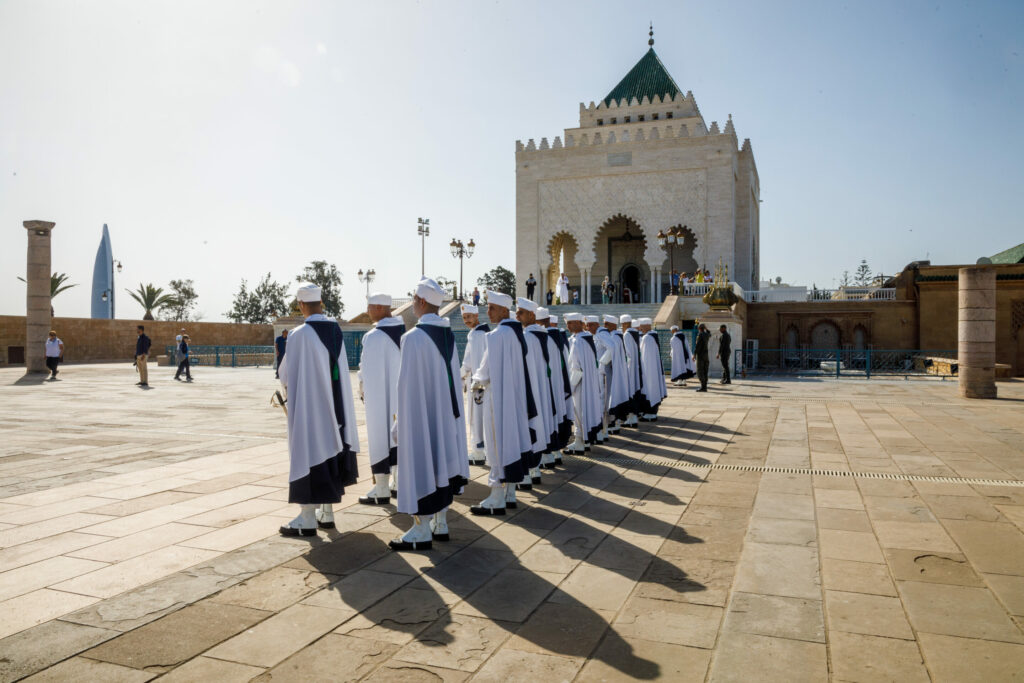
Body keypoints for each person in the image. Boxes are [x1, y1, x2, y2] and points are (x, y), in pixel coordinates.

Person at [390, 278, 470, 550]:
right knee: (442, 464)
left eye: (413, 298)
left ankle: (420, 529)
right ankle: (441, 522)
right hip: (446, 415)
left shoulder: (412, 338)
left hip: (422, 417)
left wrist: (400, 422)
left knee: (422, 464)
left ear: (422, 302)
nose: (412, 302)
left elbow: (407, 387)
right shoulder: (448, 335)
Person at [278, 283, 360, 536]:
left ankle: (306, 517)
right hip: (337, 408)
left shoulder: (299, 335)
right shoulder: (335, 331)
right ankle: (327, 512)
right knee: (331, 447)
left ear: (301, 305)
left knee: (309, 451)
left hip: (310, 408)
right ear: (320, 303)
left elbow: (285, 375)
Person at [469, 290, 535, 515]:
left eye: (492, 307)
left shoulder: (497, 336)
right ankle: (510, 493)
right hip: (514, 400)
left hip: (497, 401)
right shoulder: (517, 334)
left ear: (505, 311)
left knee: (496, 444)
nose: (488, 312)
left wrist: (475, 386)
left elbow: (484, 372)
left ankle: (496, 496)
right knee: (512, 441)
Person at [357, 293, 405, 505]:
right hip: (400, 398)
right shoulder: (405, 333)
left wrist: (363, 388)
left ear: (378, 307)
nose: (368, 312)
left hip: (380, 400)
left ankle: (382, 487)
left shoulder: (374, 337)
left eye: (369, 307)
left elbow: (367, 373)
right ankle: (398, 482)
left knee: (379, 435)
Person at [517, 297, 553, 488]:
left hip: (529, 389)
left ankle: (527, 473)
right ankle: (535, 469)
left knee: (529, 427)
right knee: (537, 426)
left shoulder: (528, 337)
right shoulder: (542, 335)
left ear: (531, 315)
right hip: (540, 389)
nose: (517, 316)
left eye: (520, 312)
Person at [535, 307, 572, 468]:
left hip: (547, 385)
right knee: (556, 418)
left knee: (546, 418)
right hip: (559, 385)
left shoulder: (543, 338)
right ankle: (555, 453)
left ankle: (547, 454)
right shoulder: (559, 337)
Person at [563, 313, 602, 453]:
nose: (567, 326)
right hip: (587, 382)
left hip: (579, 384)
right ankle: (581, 440)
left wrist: (569, 388)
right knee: (583, 412)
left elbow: (576, 368)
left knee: (578, 413)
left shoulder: (578, 341)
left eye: (570, 323)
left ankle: (579, 441)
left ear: (579, 324)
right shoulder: (585, 339)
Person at [460, 303, 489, 466]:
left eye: (469, 317)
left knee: (476, 416)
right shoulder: (480, 333)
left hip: (477, 383)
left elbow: (470, 362)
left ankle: (478, 450)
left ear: (477, 316)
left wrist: (459, 376)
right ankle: (481, 448)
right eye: (464, 318)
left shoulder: (477, 335)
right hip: (481, 381)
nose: (466, 320)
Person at [598, 314, 632, 433]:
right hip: (614, 371)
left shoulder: (614, 337)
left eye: (606, 324)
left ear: (612, 325)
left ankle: (612, 423)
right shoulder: (618, 336)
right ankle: (614, 422)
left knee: (609, 397)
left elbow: (611, 351)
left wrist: (602, 362)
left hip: (610, 371)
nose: (605, 326)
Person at [636, 319, 667, 420]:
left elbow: (645, 358)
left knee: (649, 390)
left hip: (648, 371)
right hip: (651, 370)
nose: (640, 328)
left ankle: (650, 414)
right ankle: (651, 413)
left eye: (641, 326)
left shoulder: (647, 338)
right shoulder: (652, 336)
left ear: (645, 326)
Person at [694, 323, 711, 392]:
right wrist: (706, 329)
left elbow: (697, 346)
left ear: (699, 329)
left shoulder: (700, 335)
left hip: (700, 355)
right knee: (705, 371)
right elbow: (710, 333)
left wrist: (694, 354)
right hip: (706, 355)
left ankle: (703, 387)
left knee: (700, 371)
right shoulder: (707, 335)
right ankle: (705, 386)